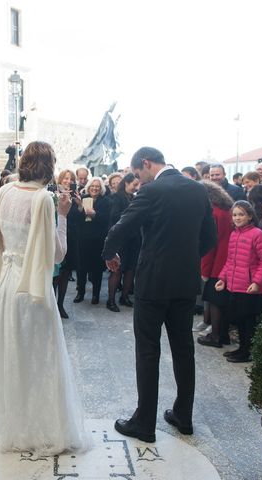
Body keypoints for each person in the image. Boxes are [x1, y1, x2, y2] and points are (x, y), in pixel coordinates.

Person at [0, 140, 91, 455]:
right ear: (48, 166)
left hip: (5, 283)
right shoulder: (44, 199)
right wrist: (64, 216)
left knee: (12, 355)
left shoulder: (3, 192)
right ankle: (44, 428)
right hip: (32, 287)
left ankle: (15, 427)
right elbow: (57, 253)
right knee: (42, 356)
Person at [102, 146, 217, 442]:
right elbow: (209, 239)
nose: (139, 181)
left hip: (153, 283)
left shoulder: (152, 192)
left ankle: (144, 423)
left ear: (146, 163)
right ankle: (184, 415)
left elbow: (122, 226)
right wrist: (186, 259)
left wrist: (108, 253)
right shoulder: (197, 190)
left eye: (138, 175)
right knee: (183, 349)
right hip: (186, 283)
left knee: (148, 350)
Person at [215, 201, 262, 362]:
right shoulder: (234, 234)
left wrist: (257, 282)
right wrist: (222, 278)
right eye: (234, 215)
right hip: (235, 286)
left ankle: (247, 352)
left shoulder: (257, 234)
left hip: (249, 287)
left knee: (248, 322)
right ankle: (241, 348)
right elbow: (230, 260)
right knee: (239, 320)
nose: (237, 218)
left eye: (241, 214)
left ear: (249, 216)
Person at [196, 181, 234, 348]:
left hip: (217, 261)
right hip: (227, 258)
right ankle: (222, 334)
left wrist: (204, 269)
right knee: (220, 300)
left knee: (214, 299)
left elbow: (210, 243)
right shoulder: (225, 209)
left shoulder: (213, 212)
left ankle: (216, 336)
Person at [106, 172, 140, 312]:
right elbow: (114, 217)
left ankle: (124, 297)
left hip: (134, 239)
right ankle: (111, 300)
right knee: (117, 270)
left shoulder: (134, 197)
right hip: (120, 239)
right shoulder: (116, 197)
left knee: (130, 269)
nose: (136, 187)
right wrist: (132, 213)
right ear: (126, 183)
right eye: (134, 184)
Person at [74, 177, 111, 305]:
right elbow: (76, 219)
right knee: (81, 268)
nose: (95, 188)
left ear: (101, 189)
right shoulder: (83, 198)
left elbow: (107, 220)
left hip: (98, 239)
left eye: (98, 186)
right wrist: (79, 207)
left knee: (97, 269)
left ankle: (96, 295)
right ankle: (81, 293)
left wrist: (95, 214)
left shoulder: (106, 201)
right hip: (83, 239)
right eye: (92, 186)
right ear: (88, 187)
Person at [53, 169, 81, 319]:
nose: (68, 181)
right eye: (65, 178)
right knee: (55, 275)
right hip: (57, 236)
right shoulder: (53, 195)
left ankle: (60, 305)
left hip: (71, 238)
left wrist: (80, 205)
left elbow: (80, 219)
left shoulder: (76, 195)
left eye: (71, 179)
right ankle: (52, 306)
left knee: (66, 274)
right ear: (60, 180)